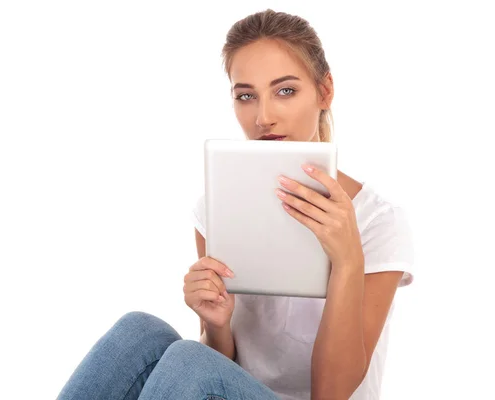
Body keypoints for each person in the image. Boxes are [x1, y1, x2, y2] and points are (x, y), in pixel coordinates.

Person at [56, 9, 414, 400]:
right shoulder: (215, 208)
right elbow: (211, 371)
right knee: (138, 331)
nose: (263, 117)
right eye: (246, 96)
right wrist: (217, 326)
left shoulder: (378, 221)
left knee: (189, 361)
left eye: (285, 91)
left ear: (324, 91)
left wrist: (347, 260)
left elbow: (332, 393)